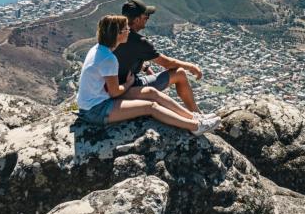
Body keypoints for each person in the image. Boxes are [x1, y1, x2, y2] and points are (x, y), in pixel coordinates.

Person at [75, 14, 220, 134]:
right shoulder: (108, 58)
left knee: (151, 91)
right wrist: (129, 83)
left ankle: (194, 117)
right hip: (96, 110)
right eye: (126, 29)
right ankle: (195, 127)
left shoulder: (98, 49)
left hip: (97, 100)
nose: (129, 31)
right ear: (118, 34)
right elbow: (114, 93)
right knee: (150, 107)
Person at [115, 0, 210, 116]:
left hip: (113, 88)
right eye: (146, 16)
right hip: (130, 88)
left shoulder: (114, 34)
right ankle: (196, 114)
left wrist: (145, 67)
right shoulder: (140, 42)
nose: (148, 18)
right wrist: (190, 66)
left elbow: (125, 58)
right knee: (180, 73)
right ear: (137, 19)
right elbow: (168, 63)